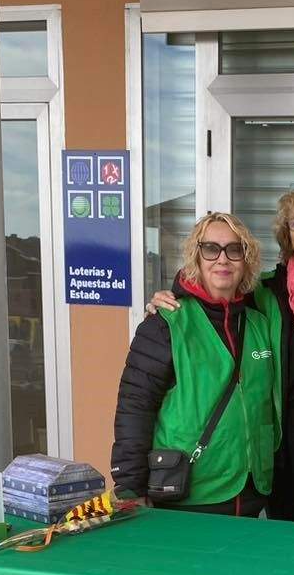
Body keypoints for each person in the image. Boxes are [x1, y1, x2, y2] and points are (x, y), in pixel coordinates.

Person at [150, 187, 294, 526]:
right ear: (287, 236)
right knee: (283, 546)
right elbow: (215, 292)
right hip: (280, 449)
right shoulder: (267, 290)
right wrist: (172, 295)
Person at [110, 211, 276, 517]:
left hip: (251, 491)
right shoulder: (166, 323)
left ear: (247, 259)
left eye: (234, 249)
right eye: (211, 249)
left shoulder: (258, 322)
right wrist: (130, 485)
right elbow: (135, 405)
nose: (222, 259)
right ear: (196, 257)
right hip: (189, 493)